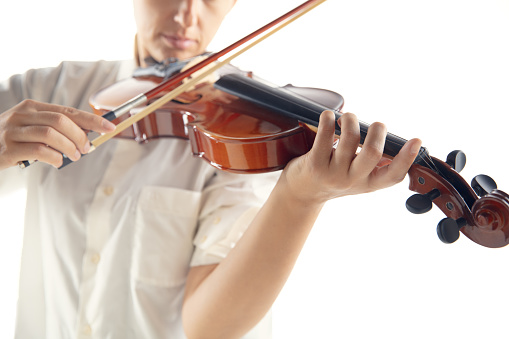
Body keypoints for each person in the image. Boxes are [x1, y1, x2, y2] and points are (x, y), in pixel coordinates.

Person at [0, 0, 422, 338]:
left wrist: (298, 197)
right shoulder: (47, 92)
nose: (186, 15)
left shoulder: (240, 132)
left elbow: (208, 328)